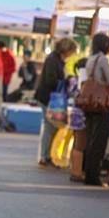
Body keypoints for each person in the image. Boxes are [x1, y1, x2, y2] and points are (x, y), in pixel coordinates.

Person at [34, 38, 76, 167]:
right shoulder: (53, 60)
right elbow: (51, 80)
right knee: (50, 126)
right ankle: (45, 156)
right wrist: (65, 81)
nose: (72, 54)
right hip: (48, 98)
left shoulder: (56, 59)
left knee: (51, 126)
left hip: (48, 97)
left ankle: (47, 156)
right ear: (66, 49)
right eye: (72, 51)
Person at [83, 33, 109, 186]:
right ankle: (93, 176)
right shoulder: (102, 60)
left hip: (90, 102)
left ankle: (88, 172)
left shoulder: (91, 59)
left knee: (90, 138)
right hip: (101, 103)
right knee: (99, 141)